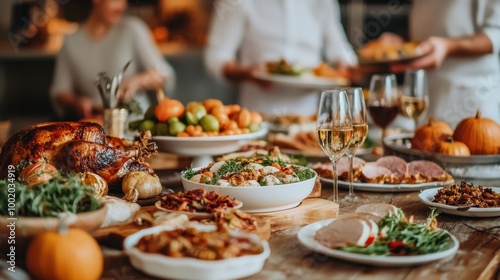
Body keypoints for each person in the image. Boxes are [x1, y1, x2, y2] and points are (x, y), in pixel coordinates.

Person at [204, 0, 358, 117]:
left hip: (310, 118)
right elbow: (217, 55)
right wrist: (245, 73)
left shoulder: (323, 3)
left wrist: (348, 62)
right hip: (258, 116)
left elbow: (340, 47)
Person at [50, 0, 175, 120]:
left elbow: (165, 74)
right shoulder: (71, 41)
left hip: (137, 127)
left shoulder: (133, 30)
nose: (122, 5)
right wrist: (77, 103)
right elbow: (60, 91)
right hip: (95, 126)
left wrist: (139, 81)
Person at [388, 0, 500, 128]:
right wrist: (402, 42)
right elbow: (436, 27)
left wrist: (447, 47)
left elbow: (495, 35)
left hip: (471, 97)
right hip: (427, 96)